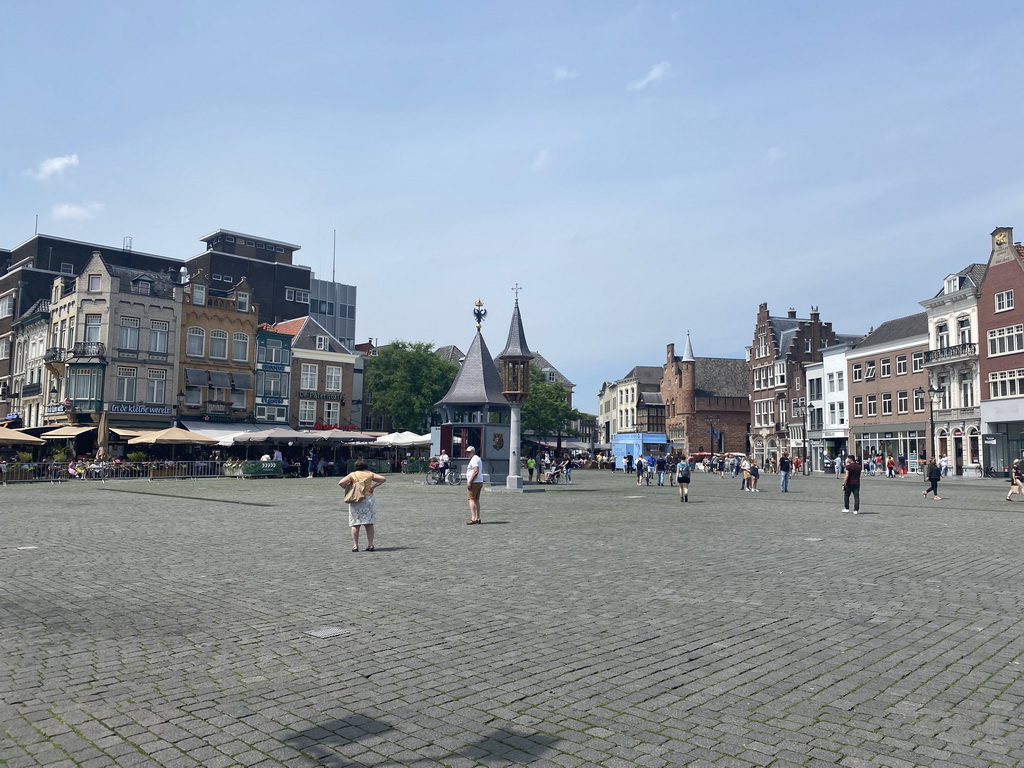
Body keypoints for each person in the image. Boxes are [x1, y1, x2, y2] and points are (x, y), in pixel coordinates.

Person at [338, 459, 387, 552]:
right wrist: (373, 487)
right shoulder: (369, 474)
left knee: (355, 523)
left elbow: (341, 483)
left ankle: (355, 545)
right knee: (368, 523)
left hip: (356, 499)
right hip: (368, 499)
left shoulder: (353, 475)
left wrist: (349, 488)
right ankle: (370, 544)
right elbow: (382, 479)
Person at [465, 445, 484, 524]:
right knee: (476, 500)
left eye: (469, 452)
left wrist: (470, 481)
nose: (467, 454)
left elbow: (476, 470)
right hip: (479, 481)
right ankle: (478, 517)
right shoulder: (477, 458)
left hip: (474, 482)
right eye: (467, 452)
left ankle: (473, 518)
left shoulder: (474, 459)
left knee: (471, 499)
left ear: (473, 452)